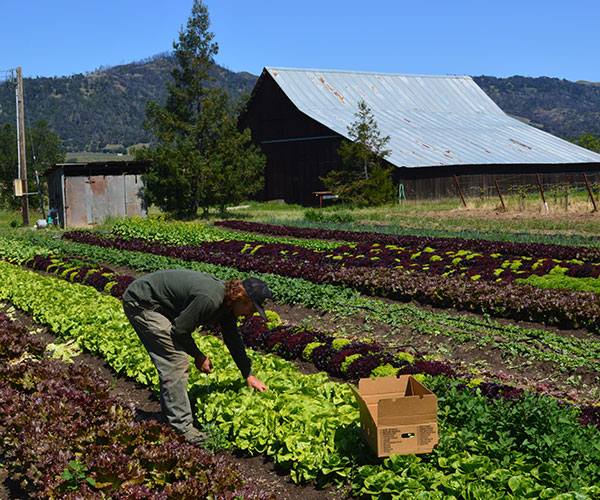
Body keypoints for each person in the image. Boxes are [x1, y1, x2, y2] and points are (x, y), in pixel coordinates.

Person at [122, 269, 272, 444]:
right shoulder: (210, 299)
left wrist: (248, 373)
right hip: (142, 303)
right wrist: (198, 356)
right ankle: (181, 428)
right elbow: (180, 330)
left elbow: (232, 338)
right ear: (241, 299)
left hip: (159, 305)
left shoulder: (227, 304)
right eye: (252, 308)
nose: (251, 314)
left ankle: (171, 417)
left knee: (176, 357)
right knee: (176, 360)